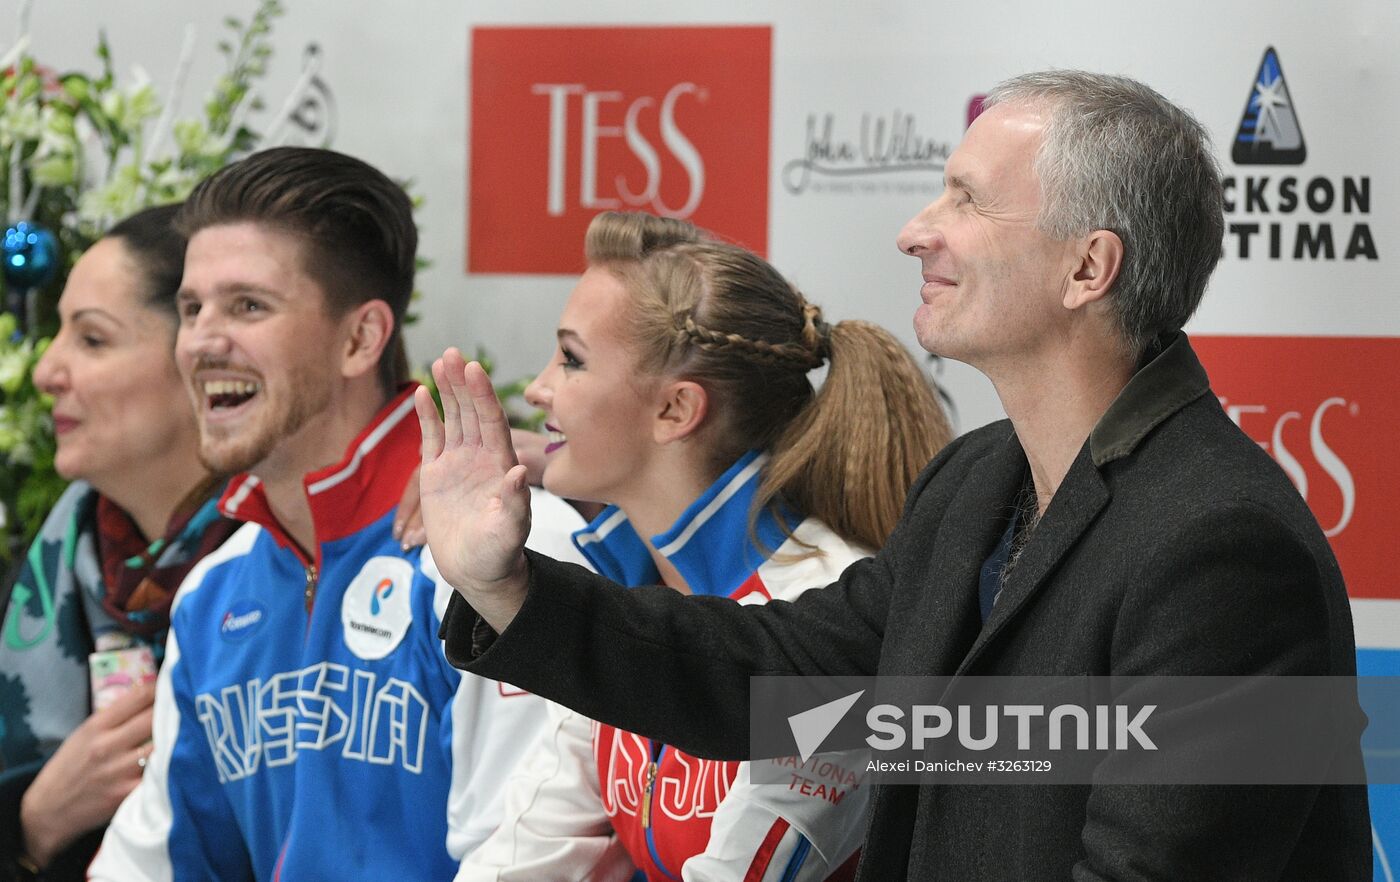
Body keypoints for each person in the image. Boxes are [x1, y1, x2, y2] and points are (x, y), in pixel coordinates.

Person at [418, 71, 1371, 880]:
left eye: (966, 199)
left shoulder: (1224, 546)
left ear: (1089, 267)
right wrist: (509, 589)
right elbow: (775, 682)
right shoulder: (974, 483)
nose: (917, 231)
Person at [89, 147, 587, 881]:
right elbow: (151, 865)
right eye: (192, 308)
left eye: (248, 305)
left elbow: (533, 857)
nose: (201, 340)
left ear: (360, 338)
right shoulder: (213, 593)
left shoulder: (507, 549)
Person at [449, 211, 951, 881]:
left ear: (676, 411)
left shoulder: (825, 610)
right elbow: (527, 855)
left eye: (571, 359)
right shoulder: (620, 591)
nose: (537, 388)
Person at [0, 205, 242, 881]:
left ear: (198, 357)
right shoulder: (45, 570)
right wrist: (32, 823)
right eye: (56, 334)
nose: (47, 370)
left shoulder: (291, 564)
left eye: (92, 340)